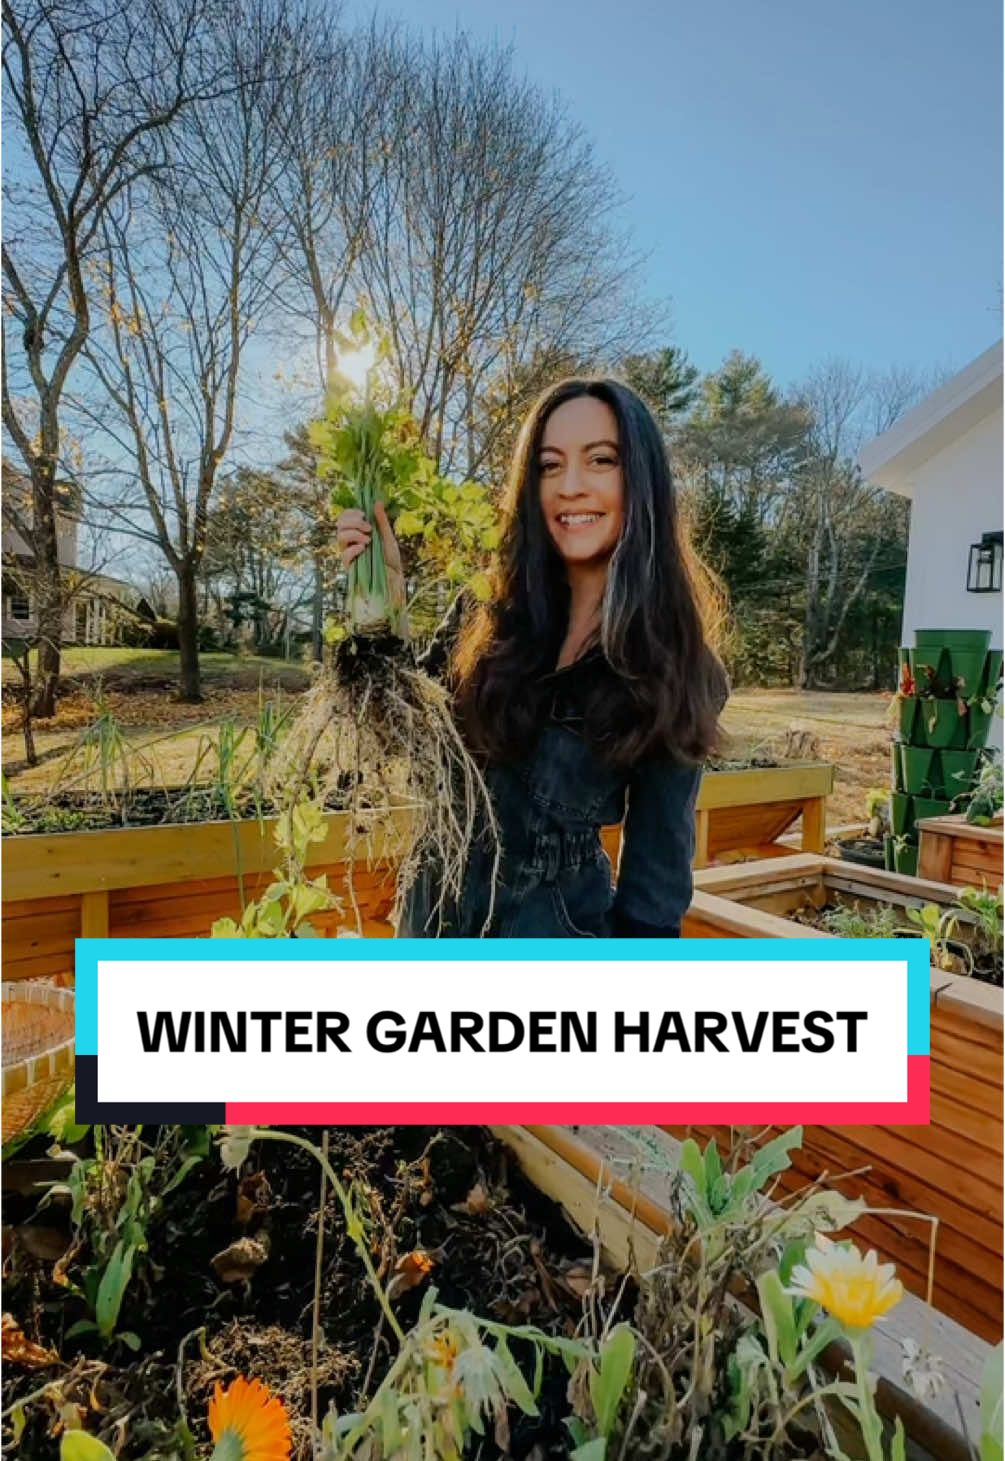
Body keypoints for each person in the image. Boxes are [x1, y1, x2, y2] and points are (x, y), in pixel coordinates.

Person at [336, 377, 729, 938]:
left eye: (600, 460)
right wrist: (384, 613)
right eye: (549, 465)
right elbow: (406, 744)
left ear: (640, 479)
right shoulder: (485, 609)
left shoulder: (677, 665)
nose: (570, 486)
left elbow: (654, 893)